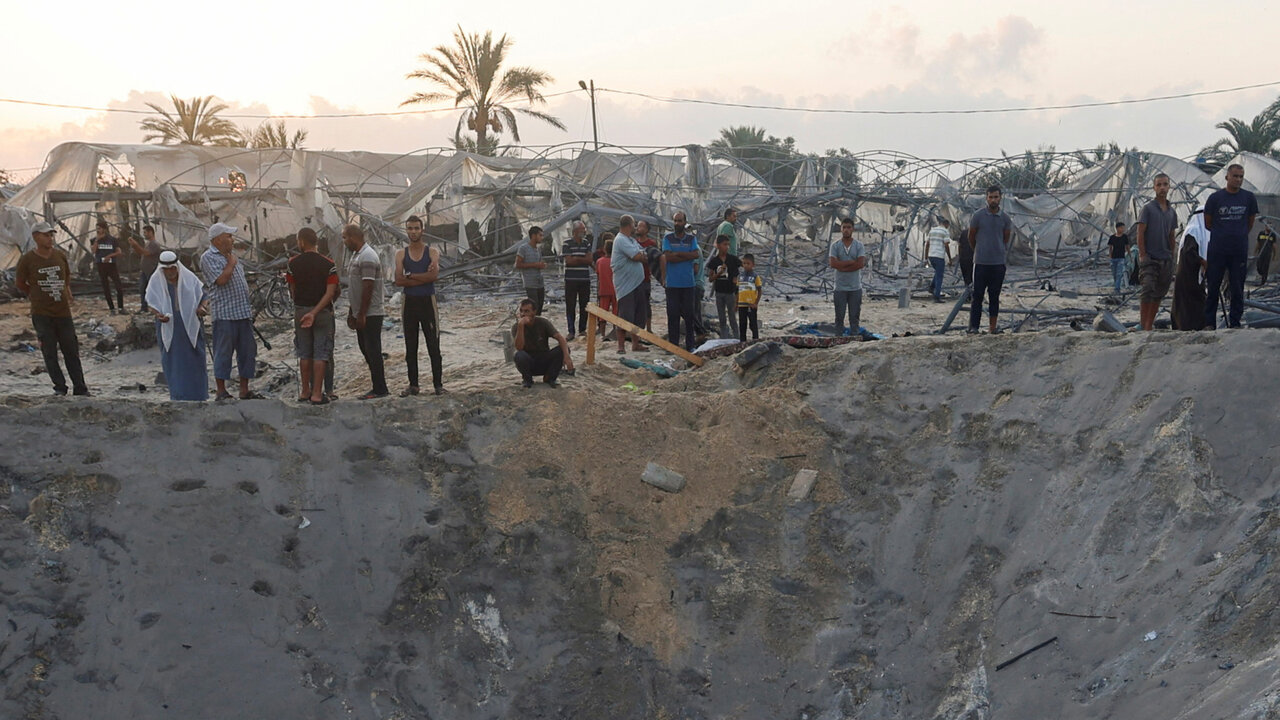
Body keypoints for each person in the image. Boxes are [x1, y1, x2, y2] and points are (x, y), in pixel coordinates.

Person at [15, 222, 89, 396]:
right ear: (36, 237)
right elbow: (19, 283)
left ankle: (80, 387)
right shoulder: (27, 260)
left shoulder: (59, 256)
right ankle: (60, 387)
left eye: (51, 235)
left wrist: (67, 292)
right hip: (42, 313)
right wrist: (32, 294)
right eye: (46, 235)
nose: (50, 238)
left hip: (62, 312)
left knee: (71, 350)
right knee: (49, 352)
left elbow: (66, 277)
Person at [200, 222, 261, 400]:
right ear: (218, 239)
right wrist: (231, 264)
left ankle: (244, 389)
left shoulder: (231, 256)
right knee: (223, 352)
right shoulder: (208, 257)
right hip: (225, 314)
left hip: (242, 313)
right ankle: (221, 391)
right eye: (228, 236)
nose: (232, 240)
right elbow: (220, 281)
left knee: (247, 352)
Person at [147, 251, 209, 401]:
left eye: (172, 268)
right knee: (174, 361)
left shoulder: (189, 279)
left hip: (190, 324)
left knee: (195, 359)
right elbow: (151, 302)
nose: (170, 272)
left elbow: (204, 296)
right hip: (169, 327)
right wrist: (158, 315)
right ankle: (178, 395)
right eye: (166, 269)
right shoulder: (156, 281)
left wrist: (202, 308)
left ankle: (199, 395)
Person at [287, 227, 339, 404]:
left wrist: (305, 310)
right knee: (321, 353)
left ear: (301, 241)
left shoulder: (292, 263)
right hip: (322, 312)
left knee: (304, 353)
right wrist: (315, 311)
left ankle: (305, 391)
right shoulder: (328, 264)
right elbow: (331, 292)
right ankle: (318, 394)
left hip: (301, 311)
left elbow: (292, 290)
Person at [393, 215, 444, 396]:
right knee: (410, 345)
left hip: (427, 301)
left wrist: (411, 276)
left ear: (422, 230)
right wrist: (420, 277)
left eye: (416, 228)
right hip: (410, 303)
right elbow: (398, 280)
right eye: (410, 228)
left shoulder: (432, 252)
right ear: (406, 230)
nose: (413, 232)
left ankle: (438, 384)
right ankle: (413, 384)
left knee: (433, 344)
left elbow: (433, 277)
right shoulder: (401, 254)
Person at [1203, 164, 1259, 329]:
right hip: (1218, 250)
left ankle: (1235, 322)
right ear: (1227, 177)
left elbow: (1250, 222)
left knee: (1237, 287)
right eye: (1235, 176)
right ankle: (1209, 323)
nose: (1238, 180)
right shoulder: (1215, 198)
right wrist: (1223, 234)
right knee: (1213, 287)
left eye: (1241, 176)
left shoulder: (1248, 198)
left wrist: (1238, 234)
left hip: (1238, 250)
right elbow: (1208, 223)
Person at [343, 223, 389, 399]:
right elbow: (355, 288)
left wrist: (362, 313)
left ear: (353, 237)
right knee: (366, 349)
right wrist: (352, 311)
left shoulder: (368, 256)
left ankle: (380, 388)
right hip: (361, 312)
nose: (344, 241)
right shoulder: (356, 256)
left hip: (371, 313)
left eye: (345, 237)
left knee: (373, 349)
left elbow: (368, 286)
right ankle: (377, 385)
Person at [967, 186, 1012, 334]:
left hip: (998, 264)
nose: (993, 200)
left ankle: (992, 327)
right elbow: (971, 237)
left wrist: (997, 250)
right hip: (980, 263)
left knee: (994, 296)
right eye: (991, 197)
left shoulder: (1005, 218)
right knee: (977, 296)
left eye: (996, 197)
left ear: (1000, 198)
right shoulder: (978, 216)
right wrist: (979, 251)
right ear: (986, 198)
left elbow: (1006, 238)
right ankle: (974, 327)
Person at [1136, 174, 1178, 331]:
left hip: (1165, 258)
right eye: (1159, 184)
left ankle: (1149, 324)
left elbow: (1171, 235)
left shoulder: (1171, 212)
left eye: (1165, 184)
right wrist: (1142, 254)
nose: (1162, 187)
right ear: (1154, 187)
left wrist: (1172, 256)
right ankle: (1143, 325)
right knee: (1147, 290)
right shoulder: (1148, 209)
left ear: (1169, 187)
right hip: (1150, 257)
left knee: (1159, 293)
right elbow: (1140, 232)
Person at [511, 298, 574, 388]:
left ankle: (550, 378)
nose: (523, 314)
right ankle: (527, 380)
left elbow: (560, 338)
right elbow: (519, 348)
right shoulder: (516, 327)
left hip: (544, 359)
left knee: (563, 349)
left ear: (534, 312)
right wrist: (521, 326)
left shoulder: (542, 322)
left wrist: (567, 357)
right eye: (521, 311)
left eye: (526, 311)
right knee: (519, 355)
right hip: (528, 361)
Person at [662, 211, 700, 350]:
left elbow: (696, 254)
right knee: (673, 315)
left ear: (685, 222)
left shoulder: (691, 239)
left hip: (688, 284)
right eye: (675, 221)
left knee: (689, 316)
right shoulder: (667, 238)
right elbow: (668, 257)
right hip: (672, 283)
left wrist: (677, 253)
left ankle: (690, 345)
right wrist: (686, 255)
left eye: (679, 221)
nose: (677, 223)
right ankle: (673, 345)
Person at [611, 215, 648, 353]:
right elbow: (638, 256)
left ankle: (635, 344)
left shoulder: (631, 240)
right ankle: (621, 346)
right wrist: (642, 256)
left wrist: (642, 256)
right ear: (629, 225)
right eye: (634, 224)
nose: (636, 227)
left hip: (637, 283)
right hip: (626, 286)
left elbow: (643, 254)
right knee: (624, 317)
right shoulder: (621, 239)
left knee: (639, 315)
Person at [828, 217, 867, 336]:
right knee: (839, 317)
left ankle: (854, 338)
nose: (846, 230)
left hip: (855, 288)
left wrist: (842, 266)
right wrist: (850, 262)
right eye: (844, 227)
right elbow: (833, 264)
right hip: (840, 288)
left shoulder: (859, 245)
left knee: (854, 317)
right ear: (841, 229)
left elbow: (860, 264)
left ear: (853, 229)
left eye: (848, 227)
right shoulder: (835, 246)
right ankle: (838, 338)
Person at [706, 234, 741, 339]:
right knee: (722, 318)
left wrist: (738, 285)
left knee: (732, 317)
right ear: (718, 246)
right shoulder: (714, 261)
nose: (727, 247)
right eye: (724, 244)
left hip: (730, 292)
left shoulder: (733, 260)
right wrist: (719, 273)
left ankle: (737, 338)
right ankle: (724, 339)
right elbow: (710, 278)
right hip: (719, 293)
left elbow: (742, 269)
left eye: (728, 245)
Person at [562, 220, 593, 340]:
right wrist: (582, 258)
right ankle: (571, 331)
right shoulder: (567, 243)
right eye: (582, 230)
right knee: (570, 305)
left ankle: (582, 329)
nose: (584, 232)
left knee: (584, 305)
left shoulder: (586, 243)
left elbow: (589, 260)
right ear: (575, 231)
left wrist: (576, 258)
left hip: (584, 279)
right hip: (571, 280)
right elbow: (569, 261)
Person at [1172, 234, 1206, 331]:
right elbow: (1189, 252)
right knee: (1186, 305)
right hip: (1187, 274)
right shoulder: (1193, 232)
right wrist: (1202, 261)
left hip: (1194, 274)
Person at [91, 219, 126, 314]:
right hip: (101, 265)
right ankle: (112, 309)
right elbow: (93, 251)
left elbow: (119, 252)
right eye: (97, 228)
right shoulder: (94, 240)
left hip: (111, 265)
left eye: (100, 228)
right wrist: (97, 240)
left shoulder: (112, 240)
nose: (98, 230)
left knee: (118, 286)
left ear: (104, 229)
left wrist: (110, 256)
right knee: (106, 287)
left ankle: (121, 307)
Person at [128, 224, 162, 312]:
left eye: (145, 232)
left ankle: (154, 308)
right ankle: (144, 307)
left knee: (152, 290)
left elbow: (146, 253)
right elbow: (142, 253)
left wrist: (135, 245)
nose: (144, 234)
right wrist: (135, 247)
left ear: (151, 232)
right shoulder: (148, 243)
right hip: (145, 270)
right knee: (142, 289)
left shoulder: (154, 244)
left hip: (152, 270)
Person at [515, 226, 547, 314]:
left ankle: (537, 324)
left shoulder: (538, 249)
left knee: (540, 306)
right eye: (540, 235)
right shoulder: (523, 248)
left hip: (539, 282)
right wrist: (535, 265)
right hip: (530, 282)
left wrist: (541, 265)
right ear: (533, 236)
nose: (542, 238)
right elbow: (518, 264)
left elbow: (538, 262)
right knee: (534, 306)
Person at [635, 220, 660, 332]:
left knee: (646, 303)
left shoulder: (651, 244)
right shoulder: (633, 243)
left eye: (641, 226)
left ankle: (649, 328)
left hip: (645, 277)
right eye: (638, 226)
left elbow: (654, 259)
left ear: (647, 230)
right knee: (635, 304)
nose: (638, 228)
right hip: (634, 279)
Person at [736, 252, 763, 341]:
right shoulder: (740, 276)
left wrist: (756, 303)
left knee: (753, 324)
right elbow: (737, 291)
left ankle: (755, 340)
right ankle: (742, 342)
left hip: (751, 305)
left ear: (753, 265)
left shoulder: (755, 277)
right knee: (742, 325)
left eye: (748, 263)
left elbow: (759, 291)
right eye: (744, 263)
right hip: (741, 305)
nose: (746, 266)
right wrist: (736, 304)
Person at [926, 218, 952, 302]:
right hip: (939, 256)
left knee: (937, 272)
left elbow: (927, 244)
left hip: (931, 255)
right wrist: (950, 258)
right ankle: (937, 296)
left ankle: (931, 287)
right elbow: (946, 245)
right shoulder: (945, 231)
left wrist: (926, 257)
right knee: (940, 276)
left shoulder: (932, 230)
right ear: (947, 224)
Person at [595, 234, 616, 339]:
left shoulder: (599, 261)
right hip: (616, 290)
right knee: (616, 312)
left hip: (603, 290)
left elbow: (598, 275)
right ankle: (615, 331)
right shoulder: (616, 261)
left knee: (603, 312)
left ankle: (602, 333)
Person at [1106, 222, 1129, 294]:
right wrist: (1110, 256)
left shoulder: (1125, 237)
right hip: (1113, 258)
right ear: (1117, 228)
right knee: (1114, 273)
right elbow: (1110, 248)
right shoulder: (1112, 237)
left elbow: (1127, 246)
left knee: (1119, 273)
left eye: (1123, 228)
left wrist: (1130, 255)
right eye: (1122, 228)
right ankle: (1116, 286)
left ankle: (1117, 288)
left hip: (1121, 258)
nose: (1123, 229)